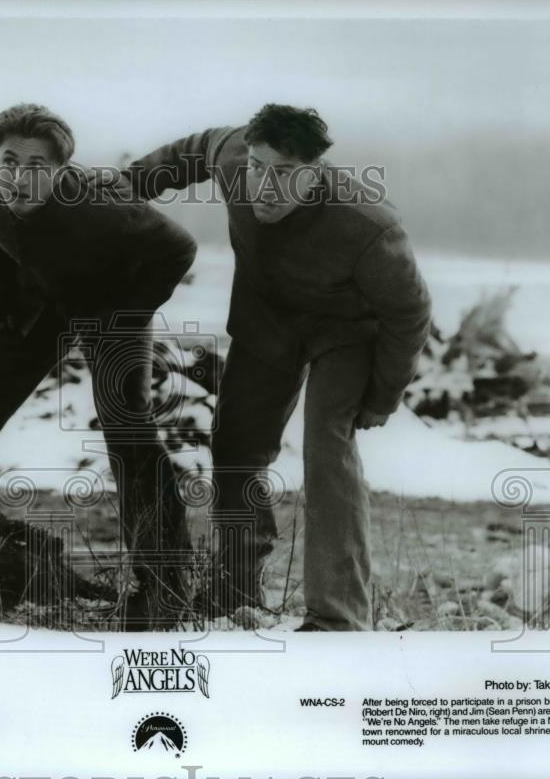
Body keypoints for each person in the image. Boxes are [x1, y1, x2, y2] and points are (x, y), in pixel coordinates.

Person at [122, 104, 432, 631]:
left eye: (284, 174)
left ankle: (338, 617)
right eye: (259, 167)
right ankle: (236, 590)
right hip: (267, 324)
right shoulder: (234, 154)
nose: (265, 184)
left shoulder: (369, 226)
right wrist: (124, 187)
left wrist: (382, 397)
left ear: (314, 173)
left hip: (345, 334)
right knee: (237, 444)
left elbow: (410, 313)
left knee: (326, 446)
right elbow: (188, 152)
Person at [0, 103, 198, 628]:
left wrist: (119, 315)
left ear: (61, 174)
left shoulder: (102, 208)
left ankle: (164, 586)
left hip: (108, 300)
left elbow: (178, 248)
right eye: (9, 160)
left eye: (37, 166)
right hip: (33, 296)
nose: (18, 176)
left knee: (127, 429)